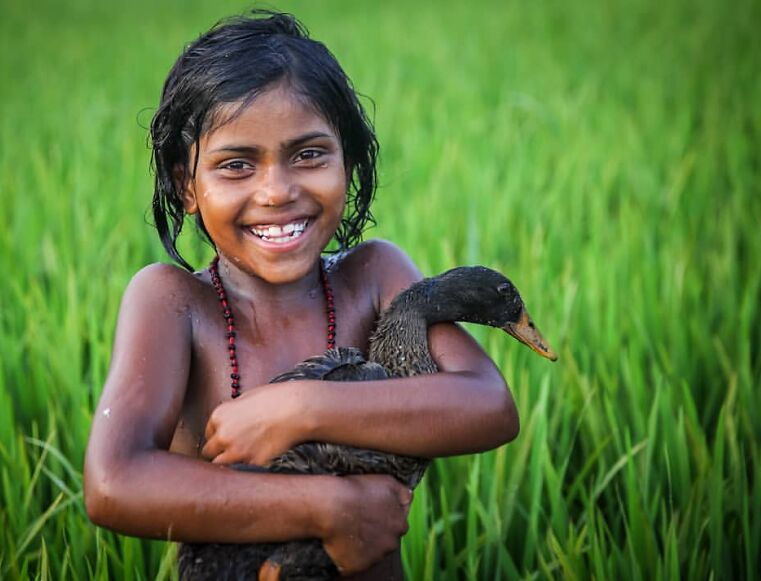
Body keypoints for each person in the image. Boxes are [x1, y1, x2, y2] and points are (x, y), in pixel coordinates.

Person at [83, 10, 519, 579]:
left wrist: (300, 408)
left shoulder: (374, 276)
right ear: (187, 185)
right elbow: (115, 482)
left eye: (309, 154)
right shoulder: (173, 304)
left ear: (348, 158)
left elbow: (489, 405)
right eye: (236, 165)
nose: (277, 191)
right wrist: (329, 509)